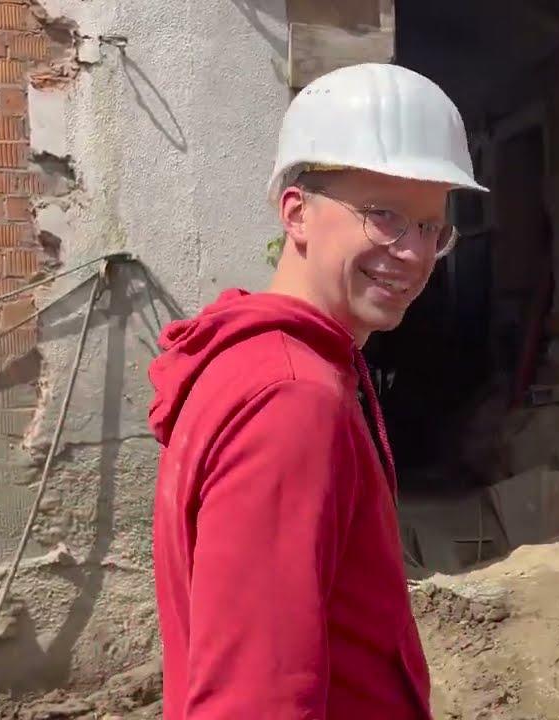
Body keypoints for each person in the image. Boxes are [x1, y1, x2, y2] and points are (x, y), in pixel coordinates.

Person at [147, 63, 488, 719]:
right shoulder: (292, 399)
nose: (413, 253)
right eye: (384, 215)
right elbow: (256, 701)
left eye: (430, 227)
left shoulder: (259, 362)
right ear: (297, 212)